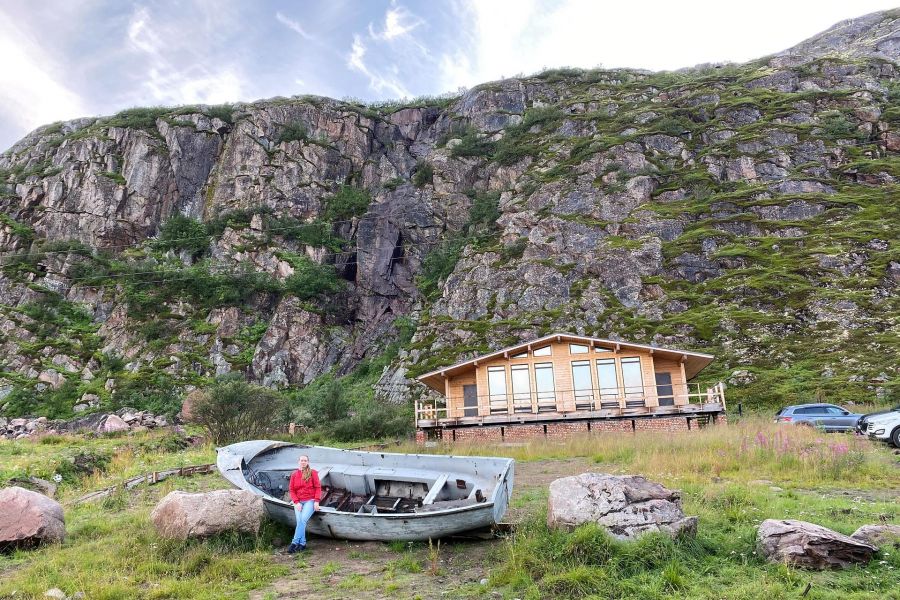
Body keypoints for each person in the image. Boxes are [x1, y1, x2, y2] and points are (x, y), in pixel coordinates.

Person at [287, 454, 321, 553]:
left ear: (307, 462)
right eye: (301, 460)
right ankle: (302, 543)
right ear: (298, 462)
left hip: (310, 501)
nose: (303, 462)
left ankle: (294, 543)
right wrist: (296, 502)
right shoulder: (294, 475)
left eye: (305, 460)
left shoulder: (313, 473)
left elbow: (318, 487)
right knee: (300, 522)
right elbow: (291, 490)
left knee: (302, 520)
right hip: (298, 502)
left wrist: (316, 501)